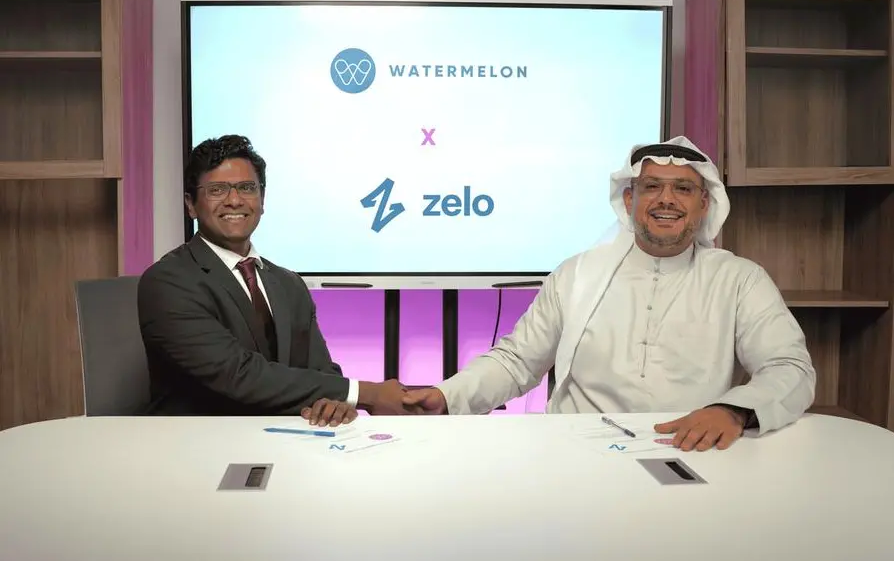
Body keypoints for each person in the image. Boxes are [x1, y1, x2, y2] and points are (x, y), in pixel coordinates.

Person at [403, 136, 817, 451]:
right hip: (575, 453)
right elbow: (517, 362)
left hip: (690, 450)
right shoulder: (578, 273)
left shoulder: (740, 279)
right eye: (652, 187)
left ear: (704, 204)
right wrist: (447, 396)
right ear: (629, 198)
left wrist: (733, 411)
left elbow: (789, 367)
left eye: (683, 189)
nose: (667, 200)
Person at [138, 134, 411, 425]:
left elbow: (322, 373)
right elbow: (239, 375)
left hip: (285, 440)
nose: (234, 201)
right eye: (217, 190)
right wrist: (365, 393)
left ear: (262, 199)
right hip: (196, 444)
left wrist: (333, 404)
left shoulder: (288, 283)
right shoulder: (168, 282)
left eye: (247, 188)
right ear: (191, 205)